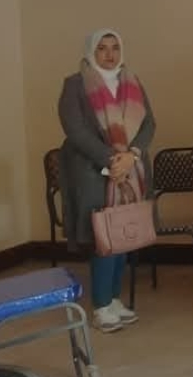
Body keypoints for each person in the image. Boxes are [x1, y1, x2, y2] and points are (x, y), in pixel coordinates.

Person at [58, 29, 155, 333]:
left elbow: (148, 123)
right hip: (93, 171)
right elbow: (75, 130)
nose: (110, 54)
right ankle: (101, 306)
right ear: (91, 51)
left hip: (130, 170)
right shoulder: (75, 85)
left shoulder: (132, 81)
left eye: (114, 47)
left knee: (122, 234)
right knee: (103, 239)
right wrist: (112, 159)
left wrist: (132, 155)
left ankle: (114, 299)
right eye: (102, 48)